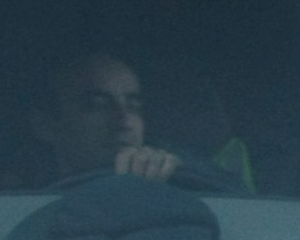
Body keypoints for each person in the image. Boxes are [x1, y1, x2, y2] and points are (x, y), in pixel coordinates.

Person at [25, 52, 183, 184]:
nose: (124, 122)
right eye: (97, 106)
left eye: (134, 107)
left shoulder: (186, 185)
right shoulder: (12, 203)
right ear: (44, 125)